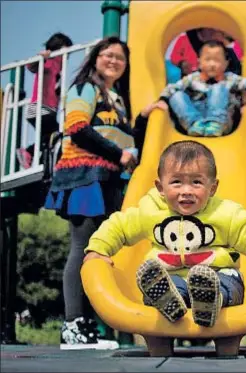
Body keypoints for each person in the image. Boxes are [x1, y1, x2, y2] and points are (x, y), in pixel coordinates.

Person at [83, 140, 246, 327]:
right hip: (172, 278)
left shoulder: (225, 213)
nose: (186, 191)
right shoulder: (150, 210)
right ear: (161, 187)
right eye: (177, 182)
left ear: (212, 187)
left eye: (197, 182)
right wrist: (98, 249)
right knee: (167, 285)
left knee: (224, 282)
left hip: (221, 277)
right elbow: (119, 226)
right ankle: (170, 302)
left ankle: (210, 300)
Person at [43, 36, 140, 350]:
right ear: (95, 58)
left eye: (120, 58)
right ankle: (72, 326)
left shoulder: (117, 99)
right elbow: (77, 128)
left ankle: (87, 327)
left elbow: (126, 137)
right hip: (83, 173)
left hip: (107, 177)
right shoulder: (85, 87)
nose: (113, 61)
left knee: (100, 250)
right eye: (107, 55)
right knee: (82, 247)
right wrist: (118, 155)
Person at [158, 40, 246, 137]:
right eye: (207, 60)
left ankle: (214, 123)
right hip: (196, 120)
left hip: (222, 120)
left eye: (217, 60)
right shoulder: (192, 78)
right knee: (176, 95)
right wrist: (162, 100)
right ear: (199, 62)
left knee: (218, 88)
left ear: (226, 63)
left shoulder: (230, 78)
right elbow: (172, 88)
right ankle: (195, 124)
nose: (212, 64)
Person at [16, 32, 73, 170]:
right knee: (55, 135)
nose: (67, 56)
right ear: (56, 49)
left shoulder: (59, 68)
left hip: (48, 110)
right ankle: (29, 152)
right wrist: (42, 57)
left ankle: (39, 158)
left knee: (49, 138)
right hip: (39, 108)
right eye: (65, 51)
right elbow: (31, 66)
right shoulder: (50, 61)